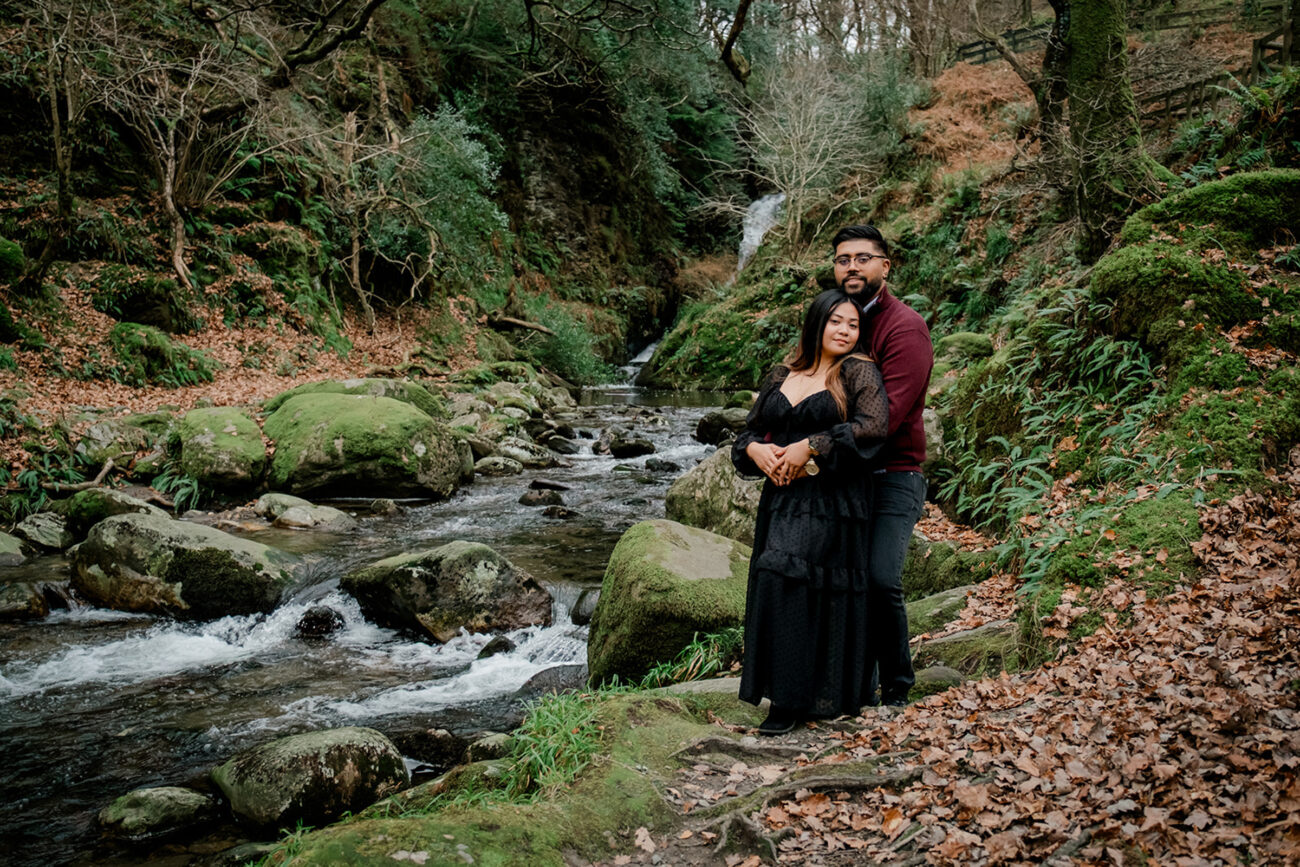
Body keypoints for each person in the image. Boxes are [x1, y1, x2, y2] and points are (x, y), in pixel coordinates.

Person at [731, 288, 889, 735]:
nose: (844, 330)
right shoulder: (783, 372)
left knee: (790, 579)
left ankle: (793, 700)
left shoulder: (858, 372)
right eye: (836, 321)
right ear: (816, 323)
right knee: (779, 581)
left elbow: (874, 428)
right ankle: (793, 692)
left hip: (835, 499)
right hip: (782, 499)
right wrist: (758, 452)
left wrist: (812, 447)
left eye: (853, 324)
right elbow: (748, 433)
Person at [830, 224, 933, 708]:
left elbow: (886, 418)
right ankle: (852, 684)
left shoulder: (903, 326)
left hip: (895, 475)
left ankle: (897, 686)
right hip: (846, 474)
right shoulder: (838, 322)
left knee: (879, 578)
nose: (851, 266)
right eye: (843, 258)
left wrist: (815, 445)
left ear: (884, 267)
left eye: (862, 258)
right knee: (845, 580)